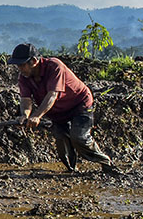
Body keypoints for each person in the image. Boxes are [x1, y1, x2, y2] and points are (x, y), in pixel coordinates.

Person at [7, 43, 119, 176]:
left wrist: (37, 115)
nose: (20, 68)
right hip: (58, 112)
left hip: (79, 105)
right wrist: (24, 116)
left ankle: (106, 163)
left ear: (34, 61)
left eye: (22, 65)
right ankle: (72, 171)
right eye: (18, 65)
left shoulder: (54, 67)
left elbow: (52, 95)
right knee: (61, 140)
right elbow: (26, 100)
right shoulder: (24, 77)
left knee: (79, 138)